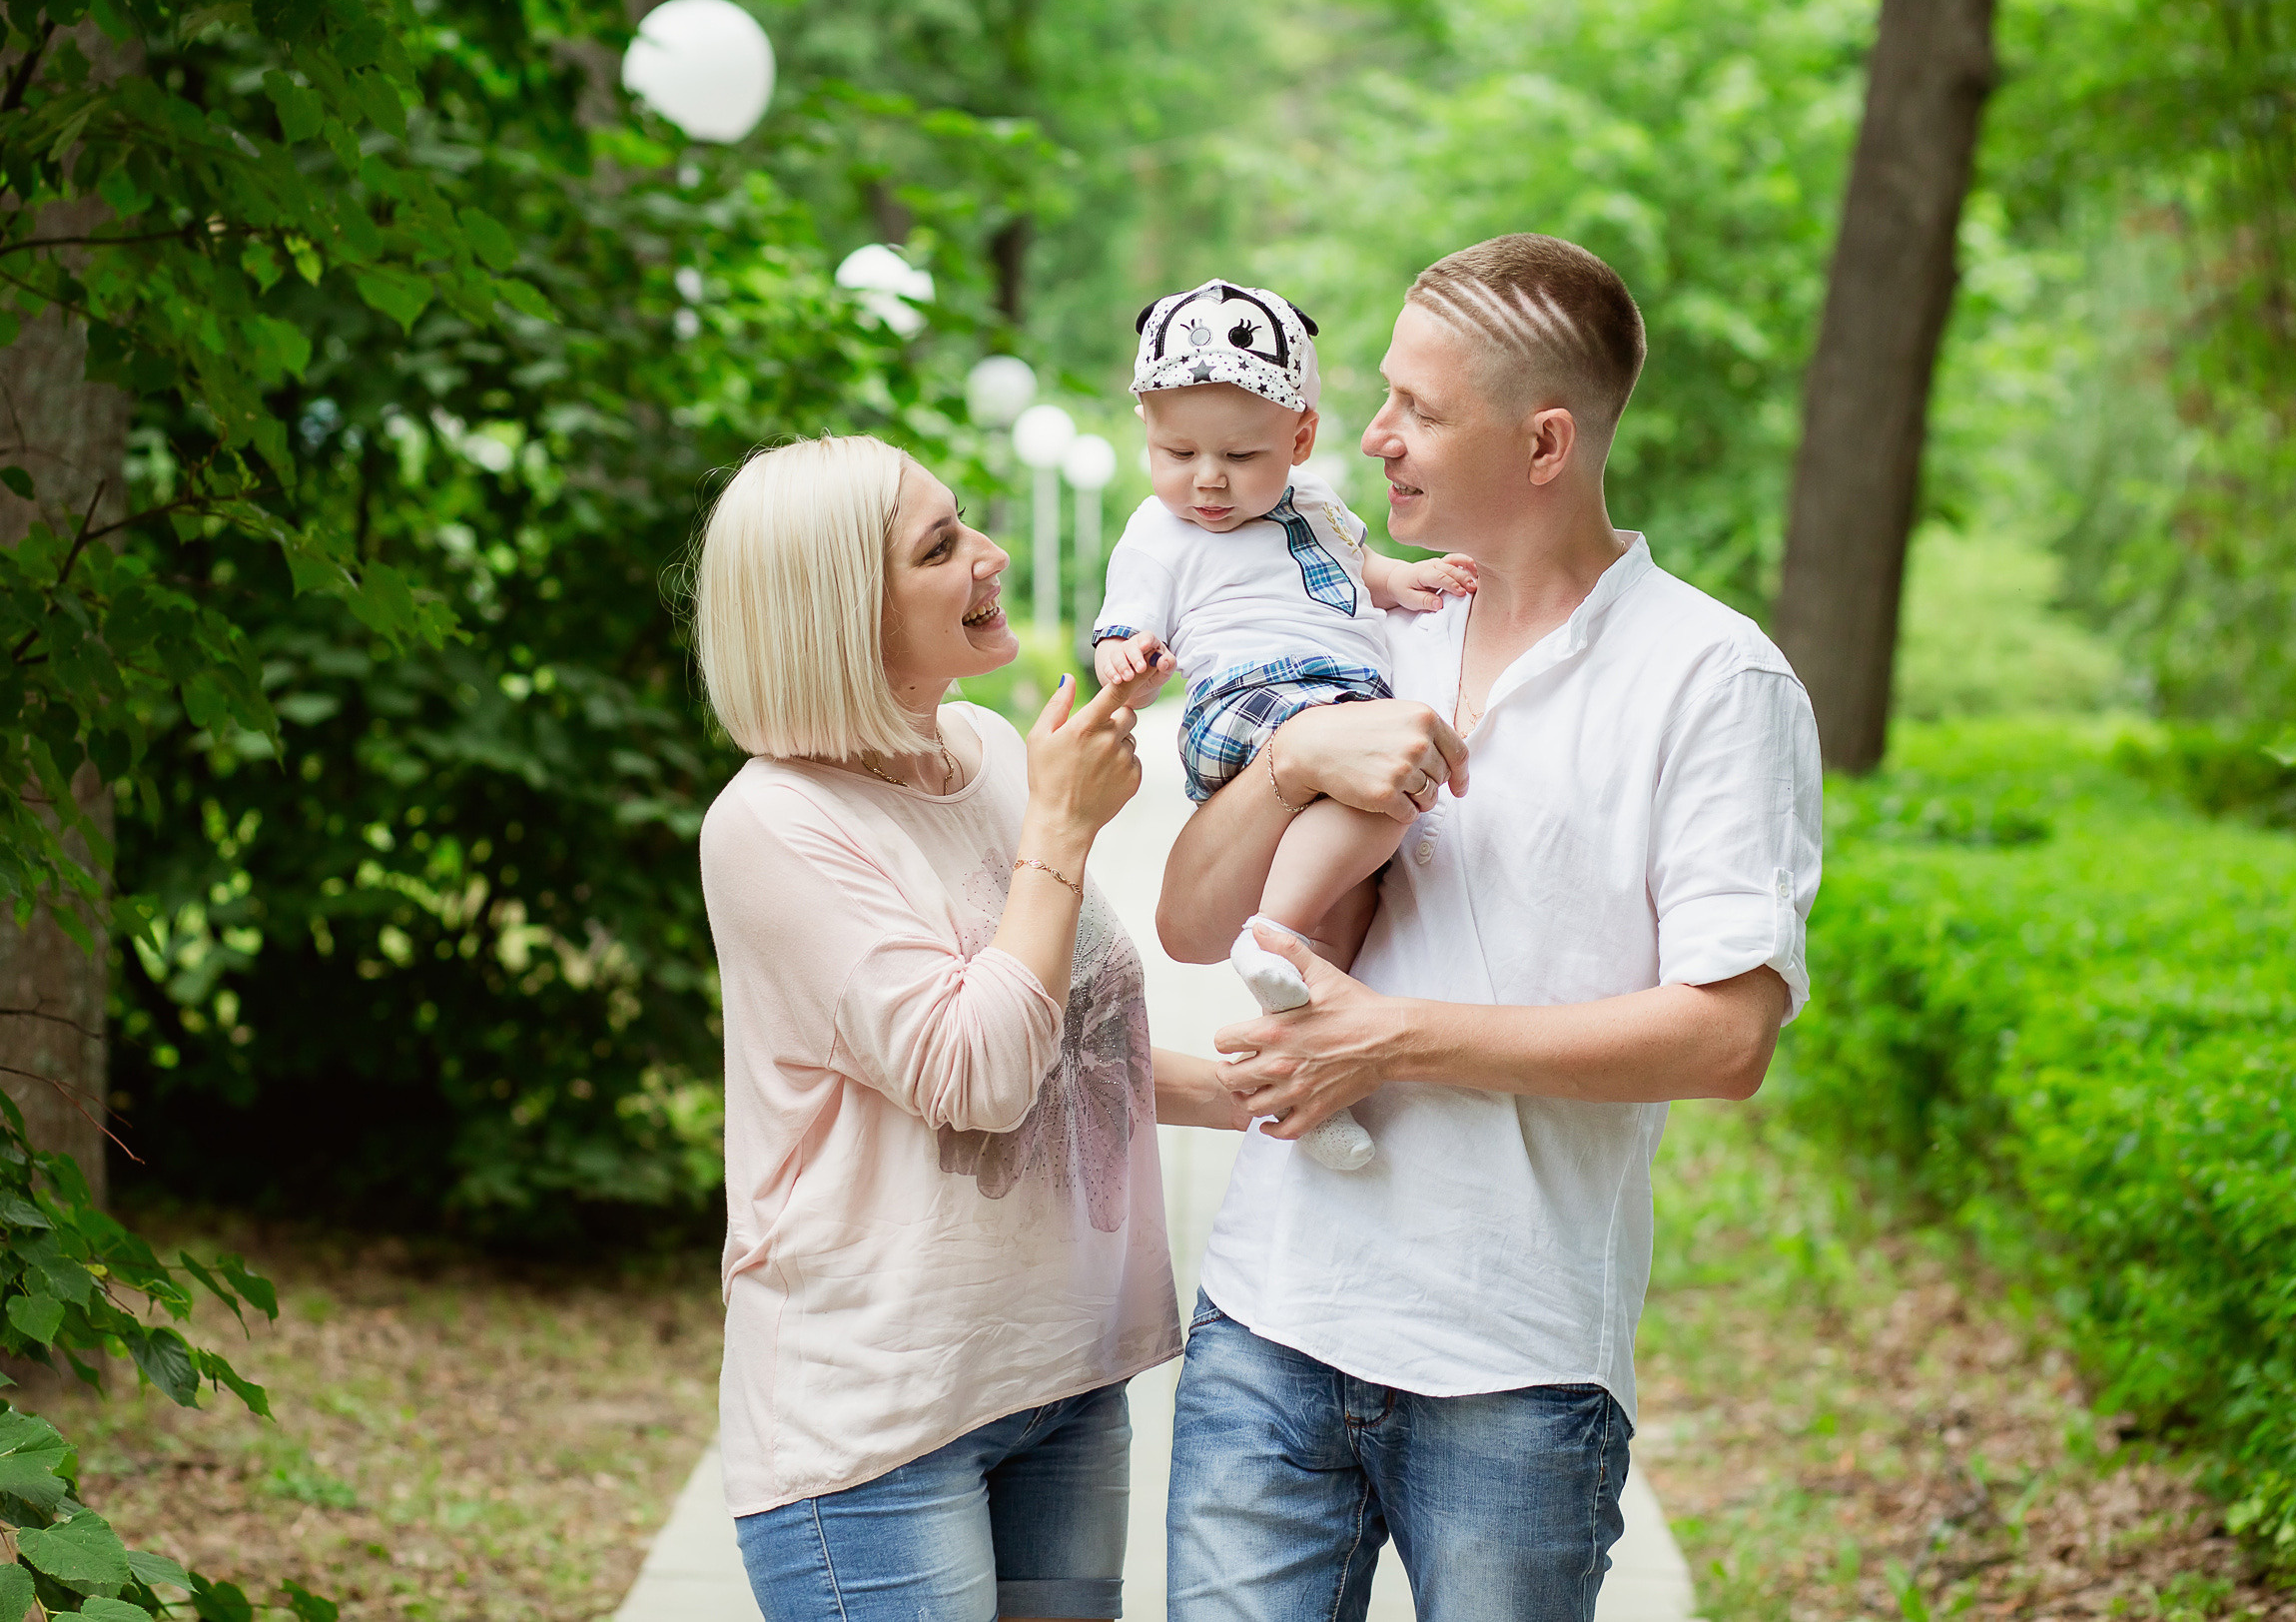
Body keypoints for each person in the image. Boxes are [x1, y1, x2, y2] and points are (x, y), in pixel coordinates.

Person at [1155, 236, 1826, 1622]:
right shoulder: (1347, 624)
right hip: (1268, 1324)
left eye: (1420, 408)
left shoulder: (1713, 677)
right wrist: (1290, 762)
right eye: (1382, 396)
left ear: (1546, 443)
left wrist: (1385, 1041)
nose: (1372, 437)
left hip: (1514, 1367)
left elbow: (1727, 1033)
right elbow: (1189, 914)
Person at [692, 434, 1247, 1622]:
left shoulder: (991, 752)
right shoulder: (772, 826)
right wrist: (1058, 832)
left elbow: (1067, 1044)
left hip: (1060, 1376)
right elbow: (980, 1073)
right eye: (939, 547)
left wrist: (1268, 1086)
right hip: (876, 1430)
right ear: (838, 612)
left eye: (967, 523)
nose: (986, 555)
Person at [1092, 279, 1476, 1170]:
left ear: (1300, 438)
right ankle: (1279, 934)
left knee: (1357, 900)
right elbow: (1126, 620)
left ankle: (1307, 1058)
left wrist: (1401, 580)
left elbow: (1356, 568)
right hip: (1254, 697)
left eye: (1241, 454)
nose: (1209, 479)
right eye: (1177, 450)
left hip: (1331, 697)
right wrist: (1125, 654)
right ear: (1146, 430)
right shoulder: (1160, 531)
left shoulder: (1318, 503)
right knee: (1394, 782)